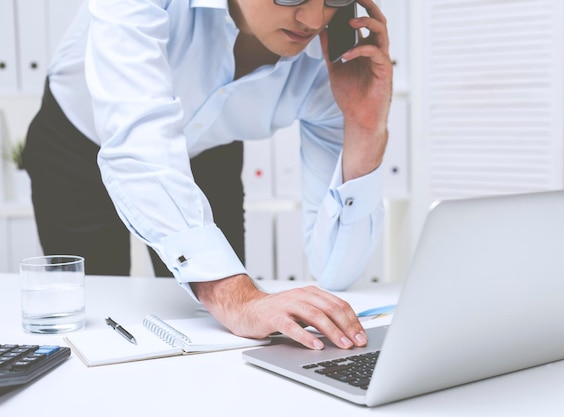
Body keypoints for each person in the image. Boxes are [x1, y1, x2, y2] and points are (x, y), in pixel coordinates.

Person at [22, 0, 393, 351]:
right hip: (75, 143)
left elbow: (336, 270)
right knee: (97, 320)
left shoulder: (335, 65)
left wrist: (364, 127)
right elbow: (139, 147)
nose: (314, 20)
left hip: (210, 148)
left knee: (211, 325)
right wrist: (234, 295)